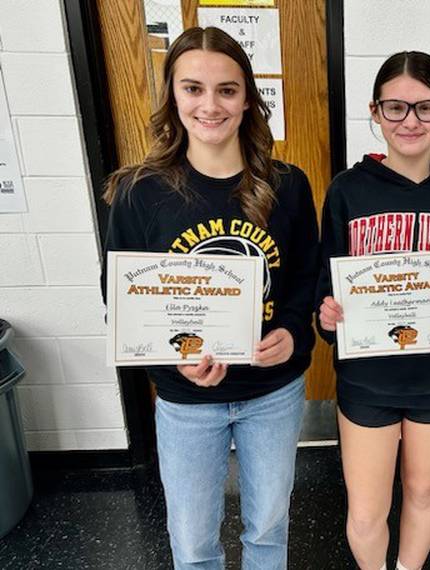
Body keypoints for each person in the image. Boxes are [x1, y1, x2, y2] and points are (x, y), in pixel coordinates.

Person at [101, 27, 319, 570]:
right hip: (185, 398)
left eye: (226, 90)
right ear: (173, 97)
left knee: (268, 527)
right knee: (195, 541)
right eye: (193, 88)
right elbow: (123, 302)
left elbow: (305, 281)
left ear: (247, 98)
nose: (210, 104)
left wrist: (291, 333)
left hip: (272, 390)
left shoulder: (287, 185)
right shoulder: (139, 192)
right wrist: (172, 355)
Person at [316, 51, 430, 570]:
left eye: (424, 108)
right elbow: (323, 285)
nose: (410, 121)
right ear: (374, 113)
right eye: (395, 108)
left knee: (422, 490)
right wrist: (326, 317)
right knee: (368, 510)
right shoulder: (347, 191)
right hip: (368, 377)